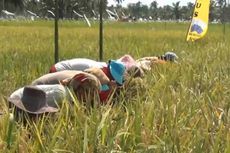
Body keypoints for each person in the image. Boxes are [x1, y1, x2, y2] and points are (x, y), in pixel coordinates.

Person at [49, 59, 126, 103]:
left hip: (61, 71)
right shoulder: (100, 72)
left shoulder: (103, 67)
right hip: (58, 71)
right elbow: (93, 90)